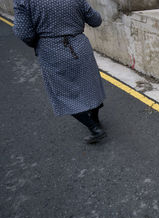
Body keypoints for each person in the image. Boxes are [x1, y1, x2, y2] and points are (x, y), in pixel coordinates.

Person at [13, 0, 106, 144]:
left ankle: (94, 128)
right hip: (80, 46)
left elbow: (24, 33)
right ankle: (95, 120)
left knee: (64, 94)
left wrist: (39, 42)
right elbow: (96, 20)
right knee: (90, 86)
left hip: (52, 51)